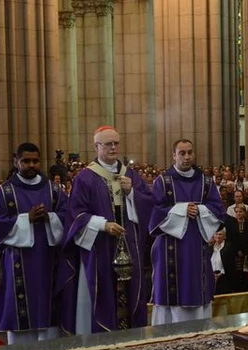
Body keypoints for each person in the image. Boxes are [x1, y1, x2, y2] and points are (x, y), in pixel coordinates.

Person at [63, 126, 153, 334]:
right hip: (100, 248)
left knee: (131, 296)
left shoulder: (130, 175)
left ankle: (132, 337)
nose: (113, 148)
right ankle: (101, 338)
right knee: (102, 293)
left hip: (129, 247)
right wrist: (103, 225)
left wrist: (131, 193)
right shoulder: (85, 178)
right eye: (108, 144)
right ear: (96, 147)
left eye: (116, 143)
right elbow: (75, 215)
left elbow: (149, 206)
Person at [0, 143, 68, 342]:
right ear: (16, 161)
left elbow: (67, 217)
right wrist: (27, 219)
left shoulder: (54, 190)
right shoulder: (4, 192)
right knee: (20, 314)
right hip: (18, 262)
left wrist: (50, 218)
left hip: (48, 261)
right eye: (26, 161)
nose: (31, 165)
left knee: (49, 310)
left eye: (35, 161)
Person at [149, 139, 224, 325]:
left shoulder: (206, 182)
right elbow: (154, 212)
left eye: (190, 152)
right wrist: (182, 210)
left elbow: (218, 209)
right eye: (182, 153)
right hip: (169, 250)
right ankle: (166, 338)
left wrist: (200, 210)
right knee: (171, 293)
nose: (187, 157)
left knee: (197, 289)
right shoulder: (163, 181)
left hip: (197, 248)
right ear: (174, 155)